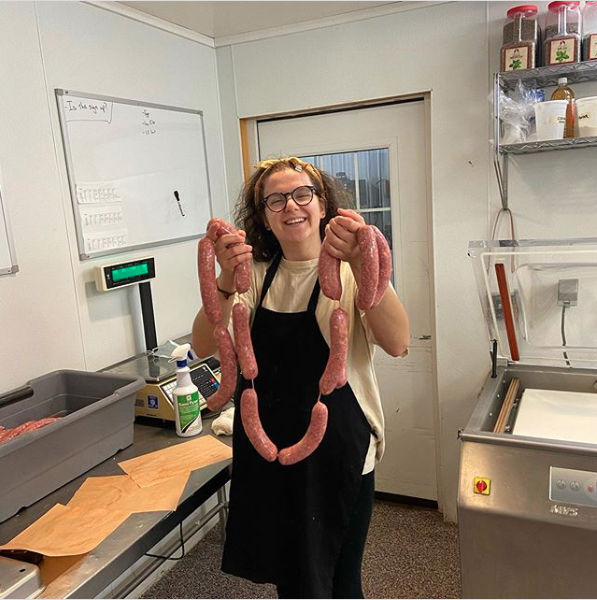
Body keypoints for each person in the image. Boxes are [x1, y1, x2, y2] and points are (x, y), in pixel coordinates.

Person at [192, 157, 409, 599]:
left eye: (302, 193)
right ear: (264, 218)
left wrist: (369, 268)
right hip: (268, 450)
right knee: (291, 583)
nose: (291, 206)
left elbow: (398, 342)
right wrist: (220, 279)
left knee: (340, 582)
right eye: (275, 199)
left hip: (342, 452)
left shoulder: (351, 275)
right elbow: (203, 345)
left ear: (322, 203)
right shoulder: (250, 278)